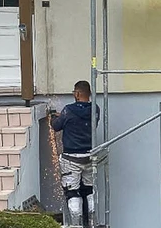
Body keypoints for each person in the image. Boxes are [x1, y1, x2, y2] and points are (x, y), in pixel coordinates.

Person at [51, 81, 99, 227]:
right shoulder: (95, 109)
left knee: (73, 192)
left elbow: (57, 126)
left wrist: (54, 117)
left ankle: (76, 225)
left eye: (74, 92)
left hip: (71, 158)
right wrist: (65, 117)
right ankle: (91, 224)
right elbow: (84, 121)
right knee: (89, 190)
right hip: (89, 156)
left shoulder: (68, 110)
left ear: (77, 94)